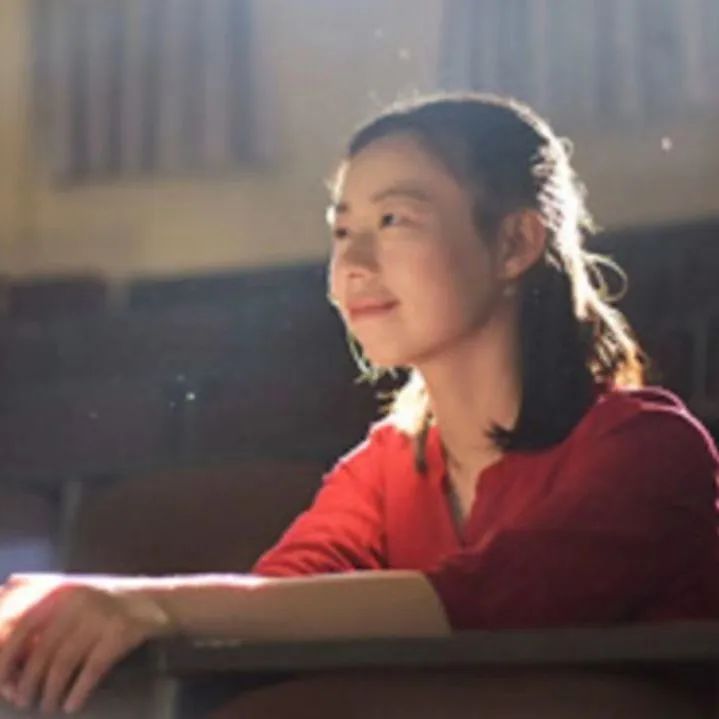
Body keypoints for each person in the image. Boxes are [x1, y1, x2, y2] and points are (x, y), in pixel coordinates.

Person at [0, 92, 717, 715]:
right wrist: (90, 605)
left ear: (513, 242)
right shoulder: (384, 468)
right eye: (342, 230)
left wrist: (148, 603)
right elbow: (276, 605)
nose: (351, 264)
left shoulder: (649, 448)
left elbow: (491, 602)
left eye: (394, 220)